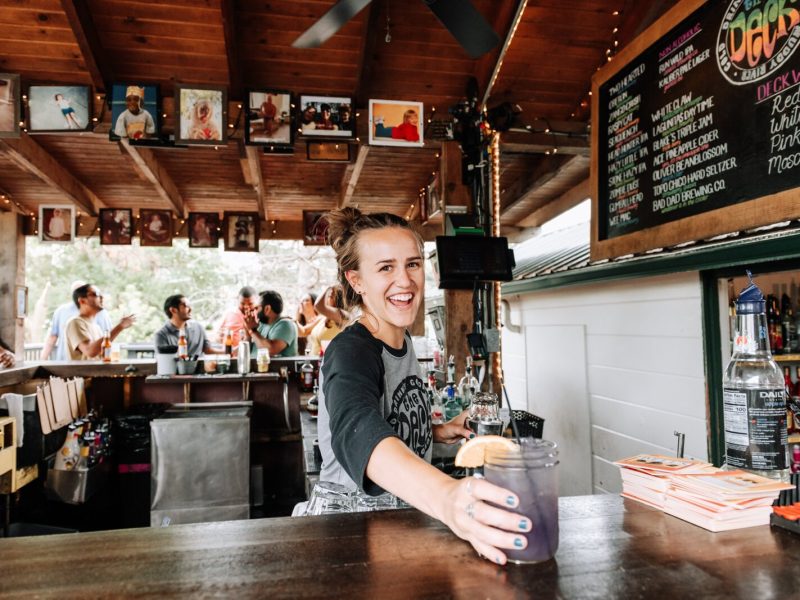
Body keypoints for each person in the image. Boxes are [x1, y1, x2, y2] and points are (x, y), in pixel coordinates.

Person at [316, 208, 528, 565]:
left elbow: (391, 419)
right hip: (351, 531)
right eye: (385, 268)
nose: (405, 280)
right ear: (357, 281)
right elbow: (357, 431)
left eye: (412, 264)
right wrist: (448, 497)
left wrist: (437, 431)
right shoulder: (352, 349)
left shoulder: (404, 342)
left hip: (399, 524)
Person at [41, 280, 114, 361]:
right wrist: (42, 361)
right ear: (81, 300)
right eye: (94, 294)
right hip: (69, 366)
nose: (101, 297)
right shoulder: (72, 320)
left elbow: (107, 342)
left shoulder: (99, 319)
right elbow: (52, 337)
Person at [64, 284, 136, 360]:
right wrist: (120, 326)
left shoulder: (96, 326)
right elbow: (90, 351)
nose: (101, 297)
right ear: (82, 301)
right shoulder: (75, 322)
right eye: (96, 294)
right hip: (83, 372)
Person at [154, 295, 222, 357]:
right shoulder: (161, 335)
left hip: (200, 370)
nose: (190, 310)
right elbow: (163, 360)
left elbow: (208, 350)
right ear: (173, 310)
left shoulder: (198, 328)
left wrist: (228, 351)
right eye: (186, 306)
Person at [245, 290, 298, 357]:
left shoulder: (286, 324)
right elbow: (247, 352)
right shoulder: (262, 325)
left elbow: (270, 350)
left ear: (267, 309)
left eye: (257, 308)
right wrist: (247, 332)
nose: (255, 311)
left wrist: (253, 330)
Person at [215, 286, 258, 353]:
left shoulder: (260, 316)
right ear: (237, 300)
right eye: (242, 303)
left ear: (256, 301)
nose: (246, 307)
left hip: (250, 356)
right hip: (228, 356)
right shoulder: (229, 313)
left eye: (250, 303)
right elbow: (217, 336)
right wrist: (219, 338)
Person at [307, 285, 346, 356]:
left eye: (330, 296)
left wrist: (328, 288)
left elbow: (318, 306)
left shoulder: (342, 316)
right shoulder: (323, 318)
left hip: (328, 363)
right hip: (316, 361)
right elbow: (304, 331)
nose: (327, 299)